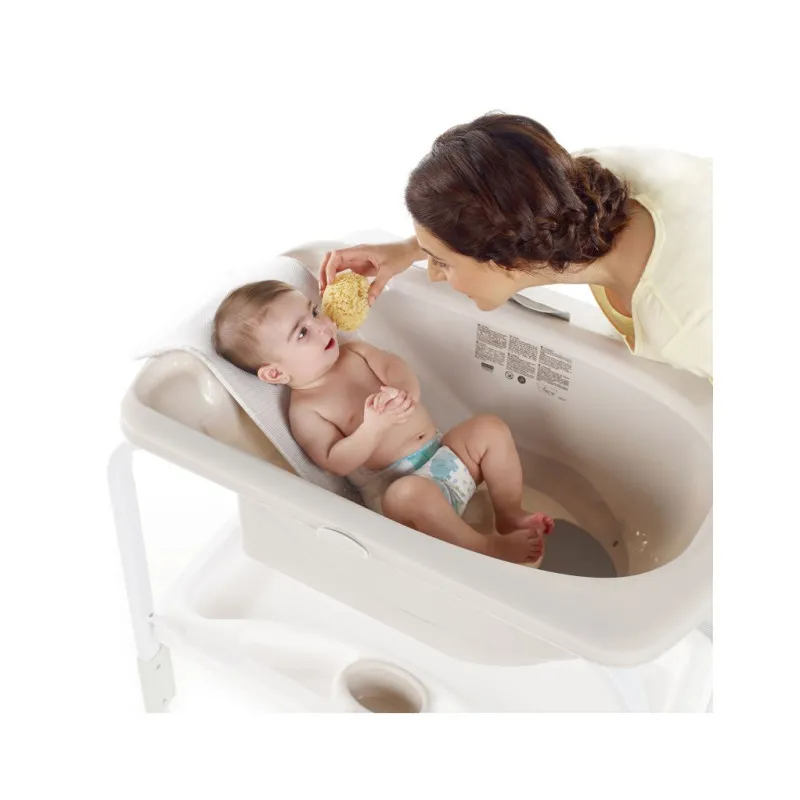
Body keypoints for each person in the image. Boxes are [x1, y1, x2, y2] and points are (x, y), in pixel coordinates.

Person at [319, 113, 712, 381]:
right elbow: (495, 214)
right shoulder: (569, 184)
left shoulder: (688, 324)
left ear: (506, 256)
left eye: (442, 263)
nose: (434, 276)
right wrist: (408, 250)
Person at [212, 279, 554, 565]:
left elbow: (396, 368)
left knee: (489, 429)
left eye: (313, 311)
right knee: (409, 494)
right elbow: (333, 460)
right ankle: (484, 547)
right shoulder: (307, 410)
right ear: (275, 373)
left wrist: (405, 392)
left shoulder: (355, 353)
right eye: (302, 333)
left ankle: (509, 512)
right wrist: (372, 428)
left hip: (445, 457)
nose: (321, 325)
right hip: (403, 498)